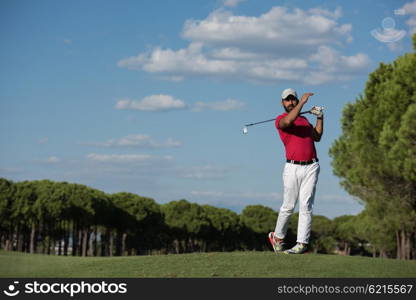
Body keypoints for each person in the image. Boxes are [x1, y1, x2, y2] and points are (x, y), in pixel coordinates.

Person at [268, 88, 323, 254]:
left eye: (294, 99)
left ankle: (302, 243)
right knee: (289, 206)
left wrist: (320, 117)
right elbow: (288, 122)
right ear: (283, 103)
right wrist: (303, 102)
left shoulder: (305, 120)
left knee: (306, 206)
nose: (291, 102)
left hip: (311, 166)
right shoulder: (280, 120)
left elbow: (317, 137)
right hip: (292, 167)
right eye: (288, 100)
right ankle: (277, 237)